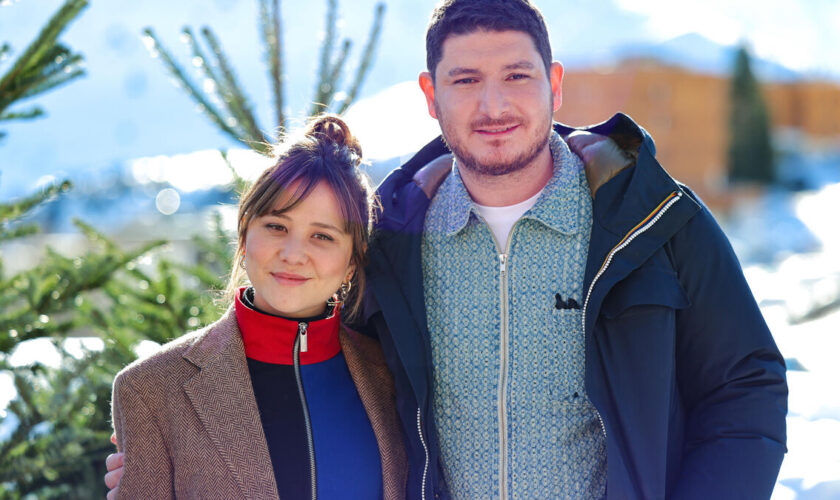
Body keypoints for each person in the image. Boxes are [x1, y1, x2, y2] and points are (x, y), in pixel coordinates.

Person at [108, 0, 788, 498]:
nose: (493, 104)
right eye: (465, 80)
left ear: (553, 85)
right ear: (431, 96)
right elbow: (306, 358)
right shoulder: (393, 240)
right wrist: (169, 448)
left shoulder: (654, 220)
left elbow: (746, 385)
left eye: (516, 77)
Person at [108, 115, 406, 499]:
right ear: (245, 233)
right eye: (277, 227)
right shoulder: (152, 390)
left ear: (352, 260)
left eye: (322, 236)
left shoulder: (390, 375)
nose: (293, 254)